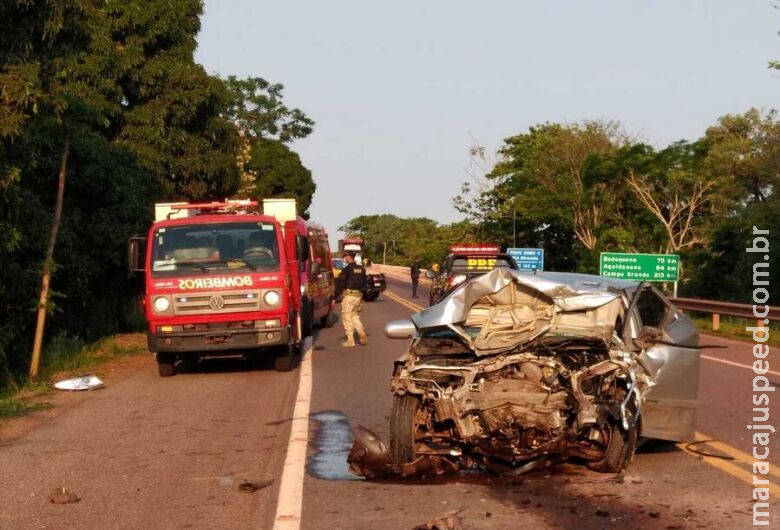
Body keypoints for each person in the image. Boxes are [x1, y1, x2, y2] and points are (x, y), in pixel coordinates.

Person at [333, 251, 368, 347]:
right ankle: (361, 332)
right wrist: (362, 297)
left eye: (345, 257)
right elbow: (365, 284)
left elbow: (340, 284)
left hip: (348, 296)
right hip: (358, 296)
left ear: (349, 257)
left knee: (346, 317)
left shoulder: (347, 269)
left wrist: (335, 297)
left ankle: (350, 340)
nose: (344, 259)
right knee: (354, 315)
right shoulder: (362, 269)